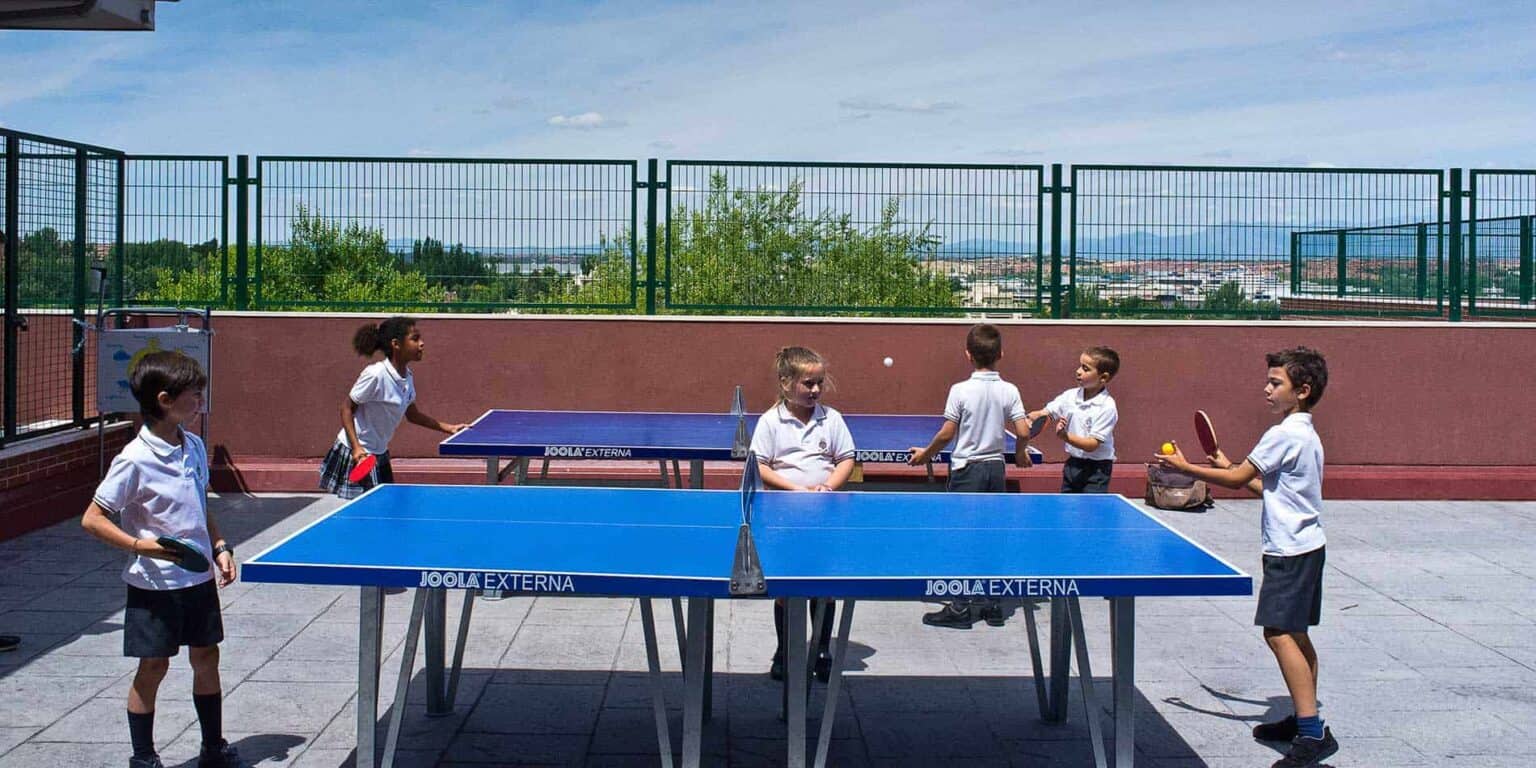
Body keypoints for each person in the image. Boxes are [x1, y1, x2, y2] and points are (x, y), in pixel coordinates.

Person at [1154, 347, 1336, 768]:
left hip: (1289, 551)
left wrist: (1187, 466)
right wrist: (1223, 462)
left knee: (1278, 634)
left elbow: (1238, 480)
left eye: (1277, 383)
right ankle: (1302, 717)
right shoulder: (1306, 434)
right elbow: (1265, 489)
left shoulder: (1283, 434)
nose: (1267, 389)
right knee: (1297, 632)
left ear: (1302, 391)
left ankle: (1312, 734)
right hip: (1309, 545)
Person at [80, 351, 242, 768]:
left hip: (197, 580)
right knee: (153, 666)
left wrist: (220, 547)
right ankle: (144, 757)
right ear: (166, 400)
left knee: (207, 658)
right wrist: (140, 547)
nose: (201, 398)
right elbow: (93, 518)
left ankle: (213, 747)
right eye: (195, 392)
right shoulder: (133, 459)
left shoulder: (192, 444)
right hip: (154, 585)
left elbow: (199, 505)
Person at [909, 323, 1035, 629]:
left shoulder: (960, 390)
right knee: (990, 535)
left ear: (968, 355)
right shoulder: (1010, 390)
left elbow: (947, 433)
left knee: (961, 538)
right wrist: (1019, 452)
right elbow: (1023, 430)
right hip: (995, 469)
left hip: (967, 470)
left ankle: (961, 607)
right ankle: (992, 606)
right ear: (1001, 354)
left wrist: (925, 454)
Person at [749, 346, 855, 682]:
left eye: (819, 383)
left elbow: (846, 460)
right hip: (782, 516)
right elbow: (759, 466)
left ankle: (822, 649)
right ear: (785, 383)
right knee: (785, 588)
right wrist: (794, 490)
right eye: (808, 383)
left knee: (823, 586)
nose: (815, 390)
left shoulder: (831, 419)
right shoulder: (770, 421)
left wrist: (827, 487)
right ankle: (785, 651)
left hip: (823, 516)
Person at [319, 316, 469, 499]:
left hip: (379, 453)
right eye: (415, 339)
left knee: (380, 510)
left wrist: (450, 428)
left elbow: (412, 415)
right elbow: (346, 408)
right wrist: (357, 448)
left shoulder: (407, 378)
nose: (422, 344)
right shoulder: (376, 375)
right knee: (366, 513)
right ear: (396, 344)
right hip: (358, 452)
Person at [1029, 346, 1120, 493]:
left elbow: (1091, 445)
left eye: (1085, 369)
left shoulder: (1107, 406)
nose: (1078, 371)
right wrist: (1035, 416)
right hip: (1073, 464)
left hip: (1097, 469)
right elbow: (1048, 413)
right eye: (1080, 366)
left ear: (1103, 377)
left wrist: (1065, 436)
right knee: (1068, 507)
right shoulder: (1070, 396)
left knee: (1090, 512)